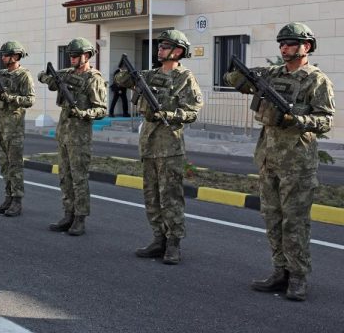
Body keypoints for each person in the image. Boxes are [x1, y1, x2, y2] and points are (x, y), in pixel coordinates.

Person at [224, 22, 335, 301]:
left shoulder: (316, 80)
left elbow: (325, 121)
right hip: (269, 158)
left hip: (297, 162)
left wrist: (295, 119)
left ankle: (298, 277)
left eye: (290, 43)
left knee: (294, 222)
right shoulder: (272, 74)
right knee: (272, 218)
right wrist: (241, 74)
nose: (284, 48)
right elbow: (234, 80)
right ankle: (279, 271)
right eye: (282, 44)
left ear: (306, 47)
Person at [114, 30, 203, 265]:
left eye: (165, 46)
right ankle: (158, 238)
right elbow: (121, 80)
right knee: (151, 195)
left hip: (169, 146)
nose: (159, 50)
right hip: (148, 144)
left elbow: (192, 111)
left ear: (178, 51)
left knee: (170, 197)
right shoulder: (150, 75)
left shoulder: (184, 78)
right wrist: (127, 74)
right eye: (159, 46)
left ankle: (173, 243)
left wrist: (170, 114)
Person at [38, 38, 107, 236]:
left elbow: (101, 110)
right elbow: (43, 75)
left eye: (76, 55)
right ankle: (68, 214)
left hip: (80, 137)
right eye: (71, 55)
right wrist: (50, 79)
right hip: (64, 134)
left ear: (87, 56)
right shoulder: (67, 74)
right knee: (65, 177)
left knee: (79, 179)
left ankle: (80, 218)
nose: (72, 59)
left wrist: (84, 113)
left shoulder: (93, 78)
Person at [0, 41, 35, 216]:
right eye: (2, 55)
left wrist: (11, 98)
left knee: (15, 165)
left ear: (16, 56)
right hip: (1, 123)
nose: (3, 58)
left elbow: (30, 100)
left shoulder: (24, 75)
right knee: (4, 164)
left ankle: (17, 200)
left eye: (6, 55)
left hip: (14, 124)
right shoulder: (1, 73)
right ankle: (8, 197)